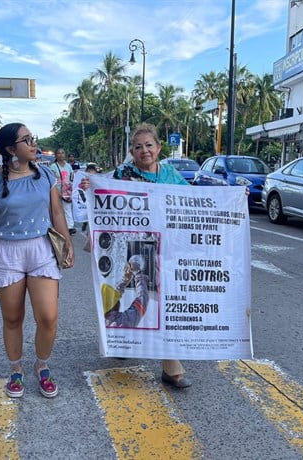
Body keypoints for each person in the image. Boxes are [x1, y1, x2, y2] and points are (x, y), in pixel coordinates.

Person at [0, 122, 74, 399]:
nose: (33, 144)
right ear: (9, 149)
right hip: (7, 253)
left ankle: (42, 365)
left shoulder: (46, 175)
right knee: (13, 318)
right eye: (26, 139)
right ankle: (16, 369)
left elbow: (57, 212)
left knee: (48, 317)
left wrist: (67, 244)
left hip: (42, 250)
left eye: (33, 138)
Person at [113, 123, 193, 389]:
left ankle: (171, 366)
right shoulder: (122, 174)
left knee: (166, 302)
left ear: (158, 147)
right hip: (134, 244)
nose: (144, 150)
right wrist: (90, 185)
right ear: (132, 152)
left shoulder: (171, 174)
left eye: (149, 145)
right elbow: (103, 196)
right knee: (133, 294)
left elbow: (194, 200)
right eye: (138, 147)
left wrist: (232, 196)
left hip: (168, 247)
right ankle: (122, 339)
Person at [50, 148, 76, 234]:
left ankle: (70, 227)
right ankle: (58, 227)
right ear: (56, 155)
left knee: (68, 209)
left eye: (62, 153)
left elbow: (72, 178)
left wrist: (72, 190)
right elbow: (52, 180)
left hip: (67, 191)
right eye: (59, 153)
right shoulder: (53, 167)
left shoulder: (68, 166)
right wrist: (56, 192)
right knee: (57, 210)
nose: (61, 155)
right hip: (56, 191)